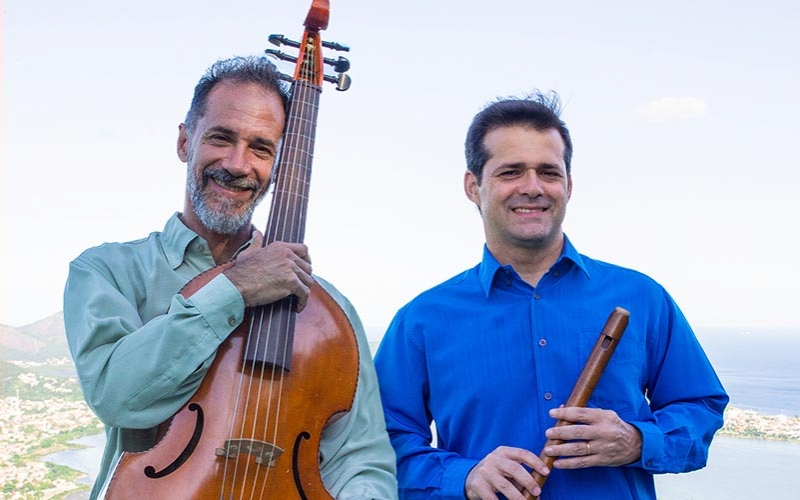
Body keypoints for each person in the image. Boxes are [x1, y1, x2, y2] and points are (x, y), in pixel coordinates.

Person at [63, 56, 397, 500]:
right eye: (221, 138)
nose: (238, 164)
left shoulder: (329, 313)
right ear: (185, 142)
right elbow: (118, 397)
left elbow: (361, 459)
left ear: (280, 167)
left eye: (261, 148)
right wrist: (234, 288)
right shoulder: (107, 271)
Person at [373, 91, 728, 500]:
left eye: (548, 172)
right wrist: (463, 476)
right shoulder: (421, 320)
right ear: (473, 186)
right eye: (511, 172)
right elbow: (379, 445)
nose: (532, 187)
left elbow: (700, 408)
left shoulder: (643, 297)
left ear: (568, 186)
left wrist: (635, 440)